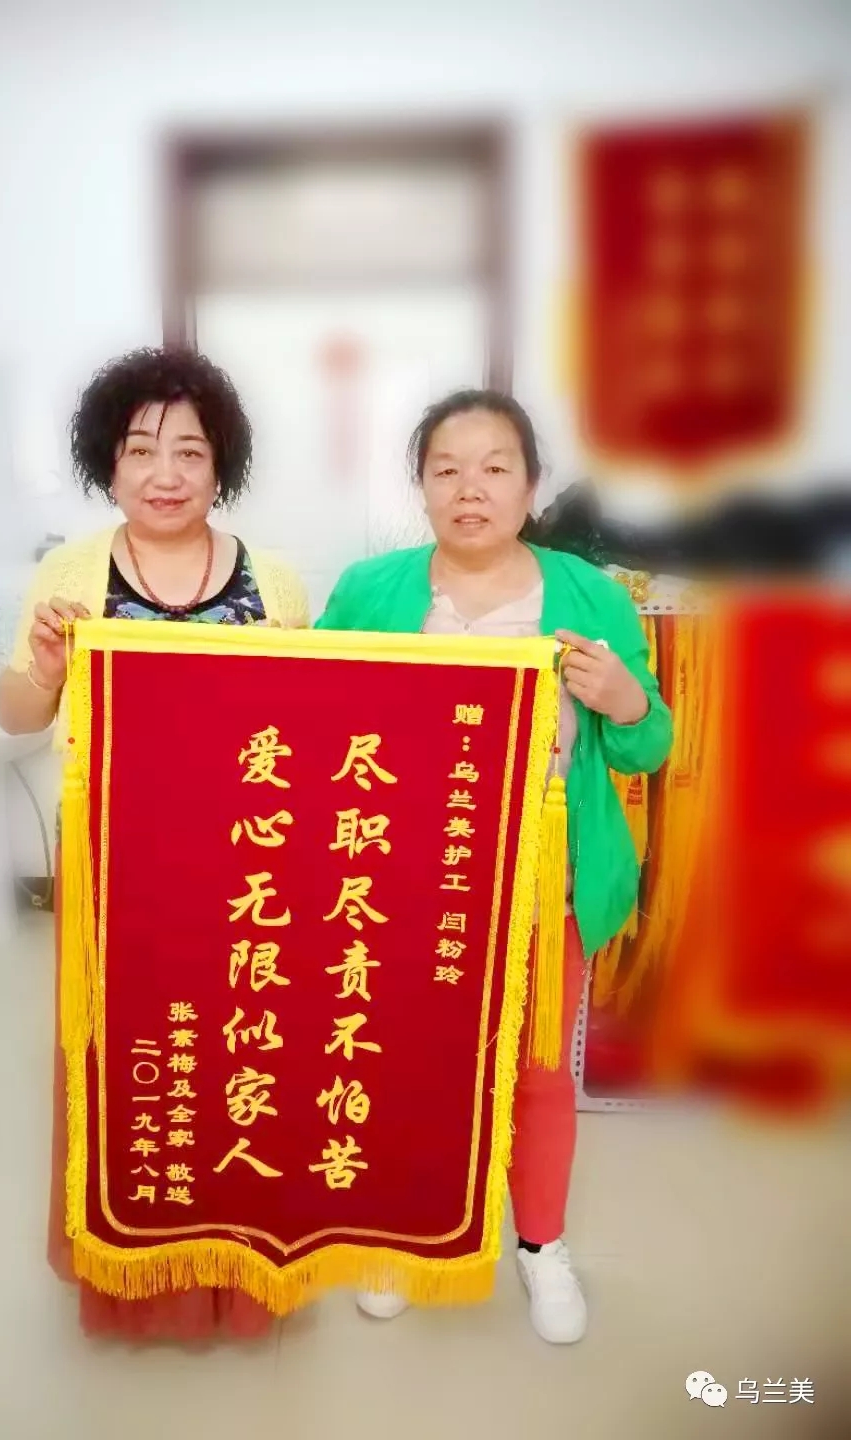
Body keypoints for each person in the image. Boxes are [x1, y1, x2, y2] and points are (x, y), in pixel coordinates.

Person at [315, 389, 672, 1344]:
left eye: (494, 468)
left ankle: (541, 1245)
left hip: (544, 883)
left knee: (538, 1072)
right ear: (422, 486)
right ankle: (404, 1231)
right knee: (403, 1060)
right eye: (447, 470)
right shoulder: (371, 591)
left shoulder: (590, 596)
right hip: (398, 885)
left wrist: (625, 700)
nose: (469, 489)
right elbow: (311, 722)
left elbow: (647, 747)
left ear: (531, 486)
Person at [0, 347, 309, 1342]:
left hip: (247, 872)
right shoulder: (68, 574)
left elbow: (314, 732)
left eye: (190, 451)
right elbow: (15, 717)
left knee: (242, 1067)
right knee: (132, 1071)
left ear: (223, 465)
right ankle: (136, 1283)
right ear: (109, 461)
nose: (165, 473)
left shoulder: (276, 582)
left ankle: (240, 1279)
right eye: (141, 450)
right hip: (115, 871)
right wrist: (47, 668)